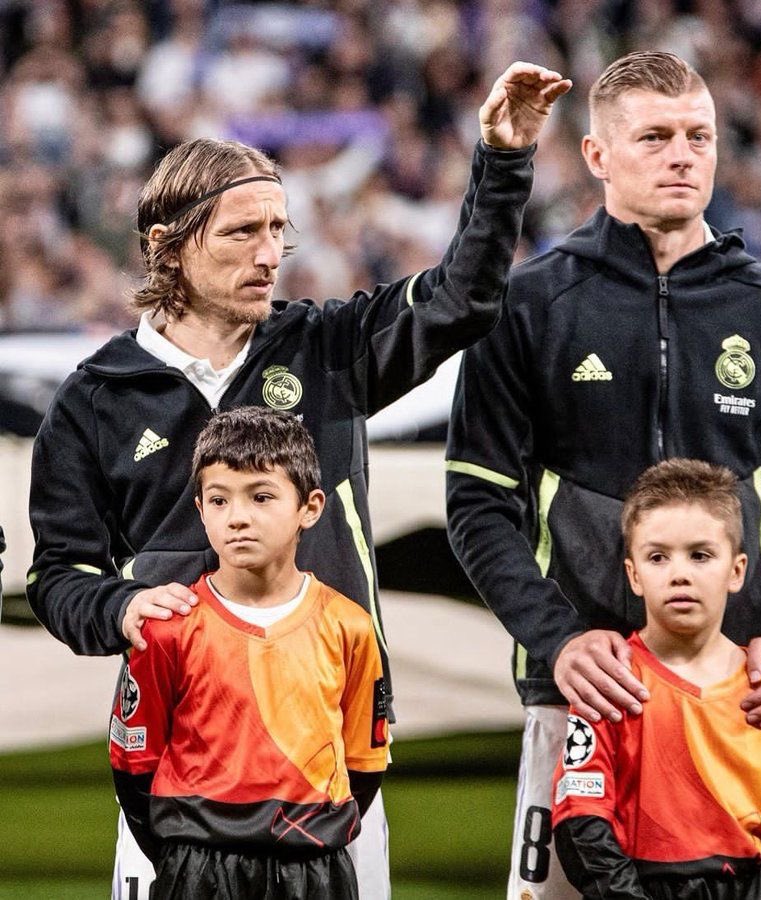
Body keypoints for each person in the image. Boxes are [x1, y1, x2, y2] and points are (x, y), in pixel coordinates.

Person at [27, 61, 572, 900]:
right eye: (242, 232)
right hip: (179, 765)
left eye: (280, 230)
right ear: (166, 244)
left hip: (332, 753)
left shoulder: (329, 347)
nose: (271, 254)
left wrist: (502, 160)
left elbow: (463, 300)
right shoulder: (94, 399)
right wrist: (123, 608)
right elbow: (59, 577)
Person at [445, 50, 761, 898]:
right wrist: (555, 639)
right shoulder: (529, 304)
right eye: (656, 137)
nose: (683, 155)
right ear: (598, 156)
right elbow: (477, 504)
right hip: (585, 697)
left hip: (741, 697)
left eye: (699, 136)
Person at [110, 407, 388, 898]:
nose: (238, 517)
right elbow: (134, 766)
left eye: (261, 496)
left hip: (316, 870)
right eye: (219, 500)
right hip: (196, 868)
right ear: (200, 509)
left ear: (311, 507)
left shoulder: (350, 626)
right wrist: (187, 850)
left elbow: (364, 763)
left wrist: (307, 833)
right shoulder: (166, 627)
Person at [552, 458, 761, 899]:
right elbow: (582, 819)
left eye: (700, 555)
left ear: (737, 570)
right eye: (658, 556)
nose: (680, 573)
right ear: (634, 574)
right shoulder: (609, 681)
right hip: (636, 885)